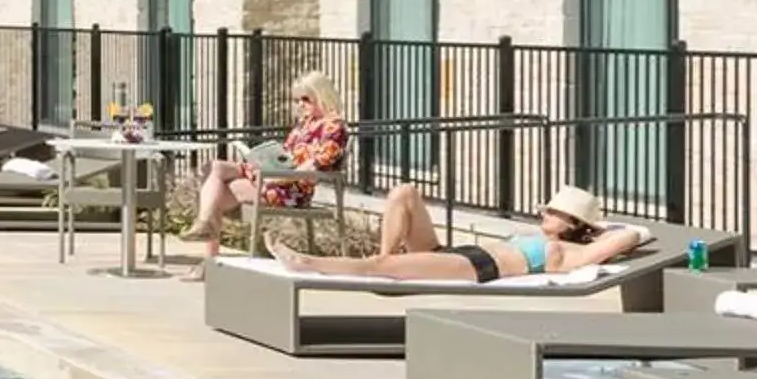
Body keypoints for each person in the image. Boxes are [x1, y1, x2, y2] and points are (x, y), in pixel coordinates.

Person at [271, 184, 649, 284]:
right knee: (404, 193)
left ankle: (307, 263)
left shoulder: (564, 253)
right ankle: (384, 264)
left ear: (571, 223)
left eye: (551, 210)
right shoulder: (551, 239)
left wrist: (602, 229)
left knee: (384, 263)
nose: (541, 211)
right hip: (458, 253)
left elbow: (631, 234)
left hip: (478, 267)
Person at [184, 72, 350, 275]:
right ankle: (205, 224)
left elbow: (316, 165)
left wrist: (279, 175)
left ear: (321, 94)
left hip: (291, 189)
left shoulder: (334, 127)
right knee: (213, 168)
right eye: (297, 100)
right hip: (273, 175)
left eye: (305, 99)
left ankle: (208, 257)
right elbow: (287, 154)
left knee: (217, 192)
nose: (301, 105)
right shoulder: (305, 124)